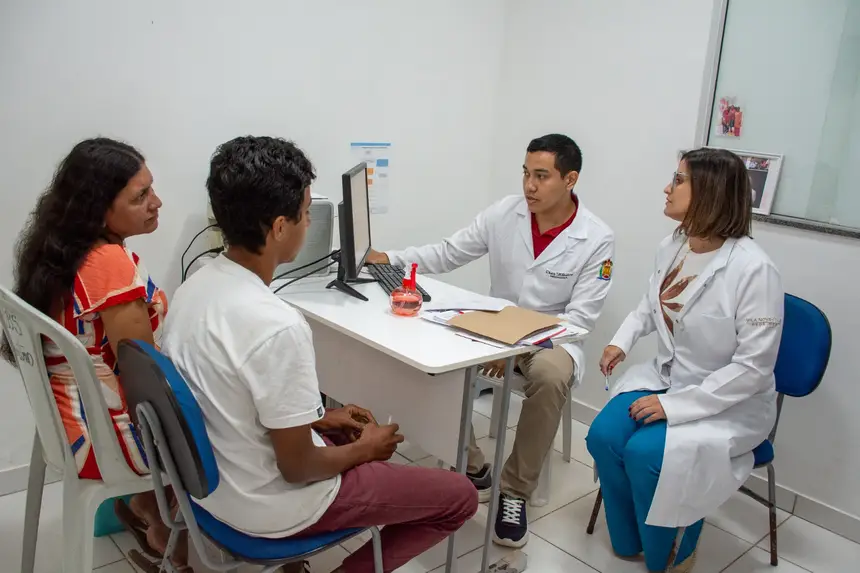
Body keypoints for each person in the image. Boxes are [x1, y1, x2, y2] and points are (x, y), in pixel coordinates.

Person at [161, 136, 478, 573]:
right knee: (459, 496)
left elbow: (228, 399)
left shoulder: (194, 285)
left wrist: (319, 418)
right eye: (307, 212)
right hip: (271, 506)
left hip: (211, 492)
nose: (309, 223)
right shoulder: (277, 325)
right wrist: (367, 450)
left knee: (339, 438)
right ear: (279, 227)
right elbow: (298, 467)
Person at [367, 133, 615, 548]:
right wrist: (391, 258)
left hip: (554, 340)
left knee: (551, 377)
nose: (529, 186)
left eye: (541, 176)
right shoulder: (505, 213)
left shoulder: (596, 237)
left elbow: (580, 320)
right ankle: (472, 465)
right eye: (526, 173)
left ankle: (514, 492)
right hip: (496, 327)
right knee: (429, 351)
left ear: (570, 179)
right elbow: (448, 252)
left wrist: (514, 345)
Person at [586, 148, 783, 573]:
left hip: (728, 400)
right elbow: (651, 302)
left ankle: (671, 552)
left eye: (678, 180)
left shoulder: (754, 270)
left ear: (710, 191)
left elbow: (753, 368)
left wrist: (674, 406)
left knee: (644, 454)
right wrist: (622, 341)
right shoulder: (674, 245)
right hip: (667, 379)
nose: (667, 188)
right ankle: (631, 539)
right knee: (603, 437)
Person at [0, 138, 187, 570]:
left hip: (64, 420)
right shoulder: (109, 264)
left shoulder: (60, 247)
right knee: (228, 422)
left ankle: (150, 509)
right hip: (103, 439)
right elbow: (144, 377)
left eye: (151, 189)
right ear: (99, 209)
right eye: (140, 196)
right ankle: (184, 543)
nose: (156, 202)